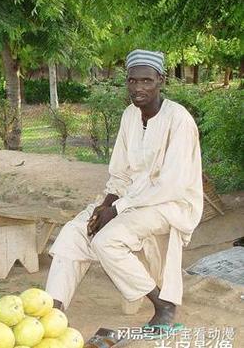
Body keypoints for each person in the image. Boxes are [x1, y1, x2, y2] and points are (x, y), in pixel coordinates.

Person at [45, 49, 203, 330]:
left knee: (108, 240)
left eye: (146, 81)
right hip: (131, 201)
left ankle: (163, 305)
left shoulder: (179, 120)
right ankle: (52, 312)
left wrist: (116, 209)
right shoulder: (130, 115)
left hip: (171, 204)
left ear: (161, 80)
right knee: (76, 231)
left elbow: (170, 184)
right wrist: (104, 205)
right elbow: (120, 173)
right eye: (132, 81)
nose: (138, 88)